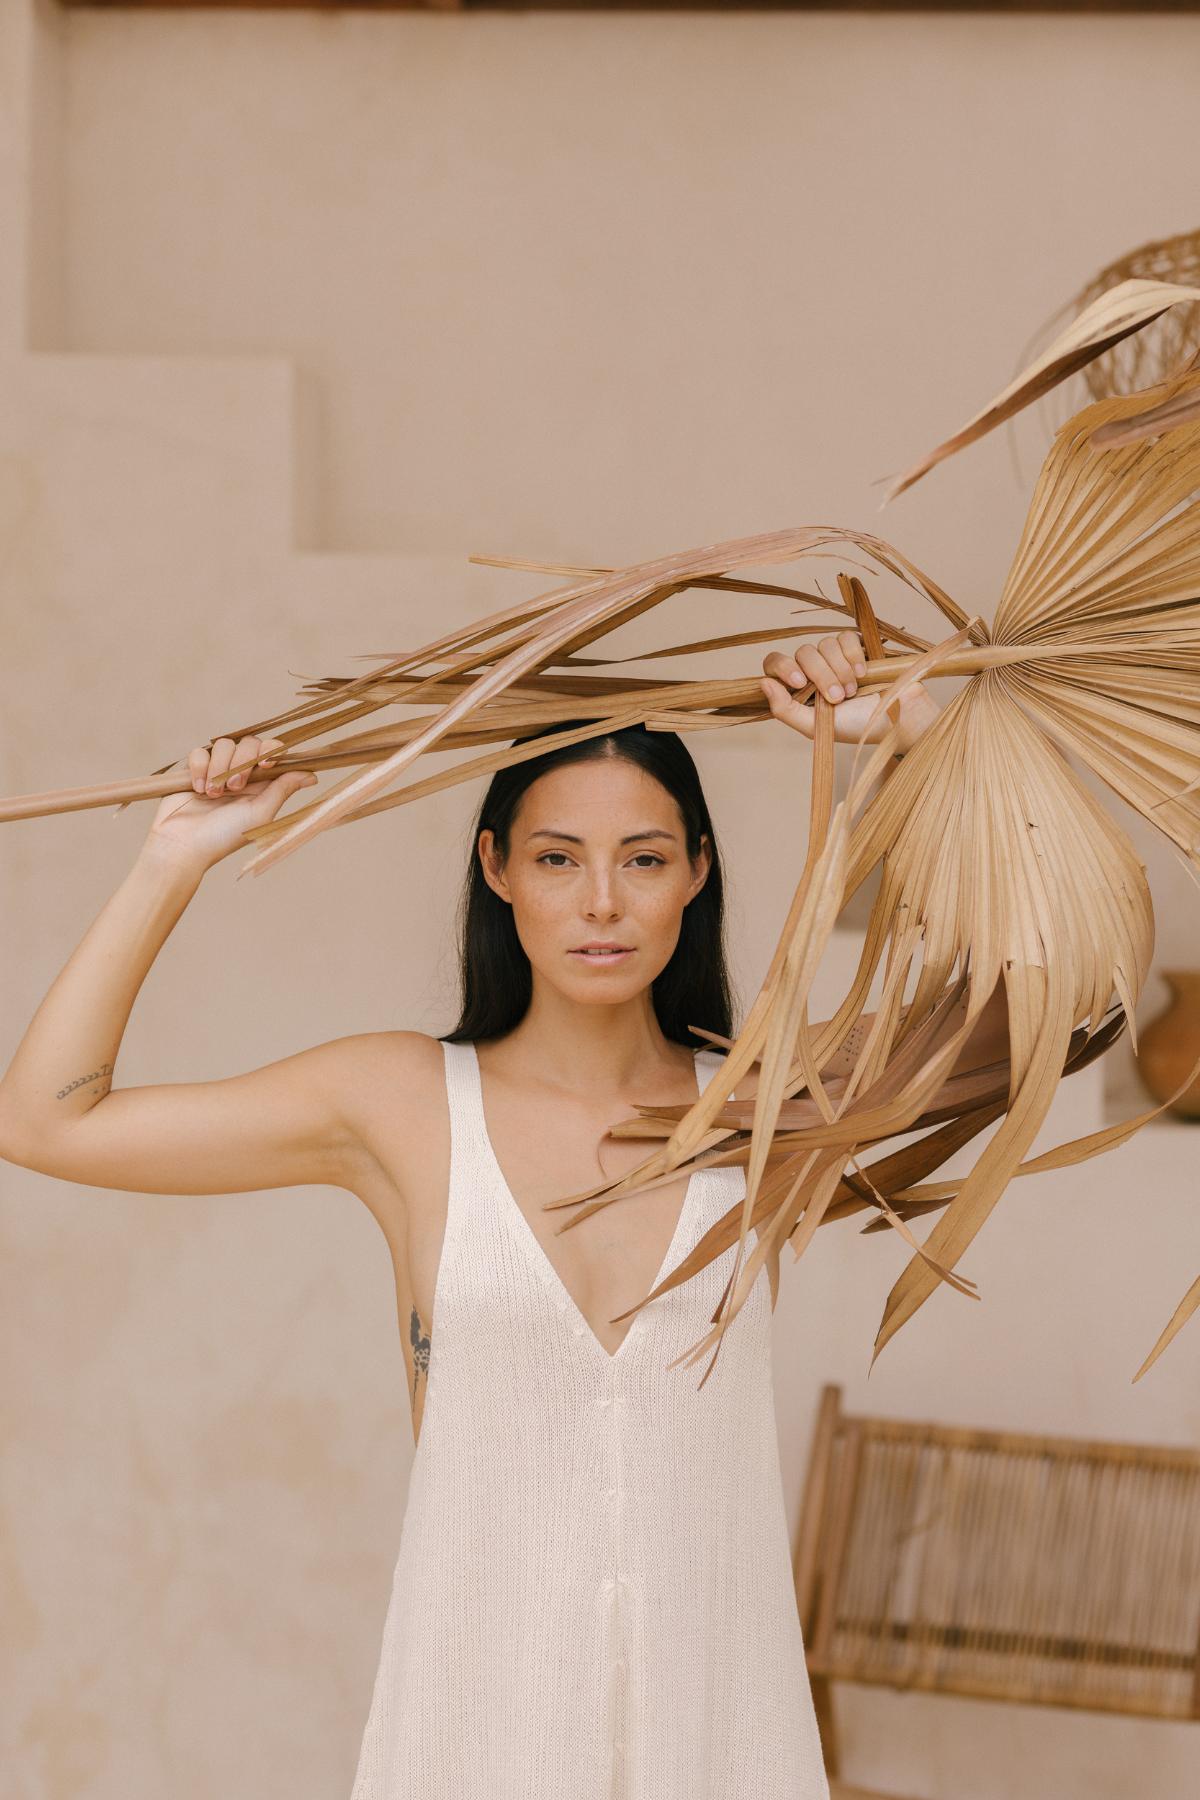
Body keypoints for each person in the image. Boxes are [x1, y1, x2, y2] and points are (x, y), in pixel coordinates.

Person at [0, 630, 1002, 1797]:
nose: (600, 903)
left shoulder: (765, 1109)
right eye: (559, 858)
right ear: (497, 867)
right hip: (473, 1737)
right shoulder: (397, 1102)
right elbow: (46, 1122)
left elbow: (1040, 1003)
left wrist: (924, 744)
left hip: (722, 1739)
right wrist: (175, 856)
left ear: (696, 871)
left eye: (641, 859)